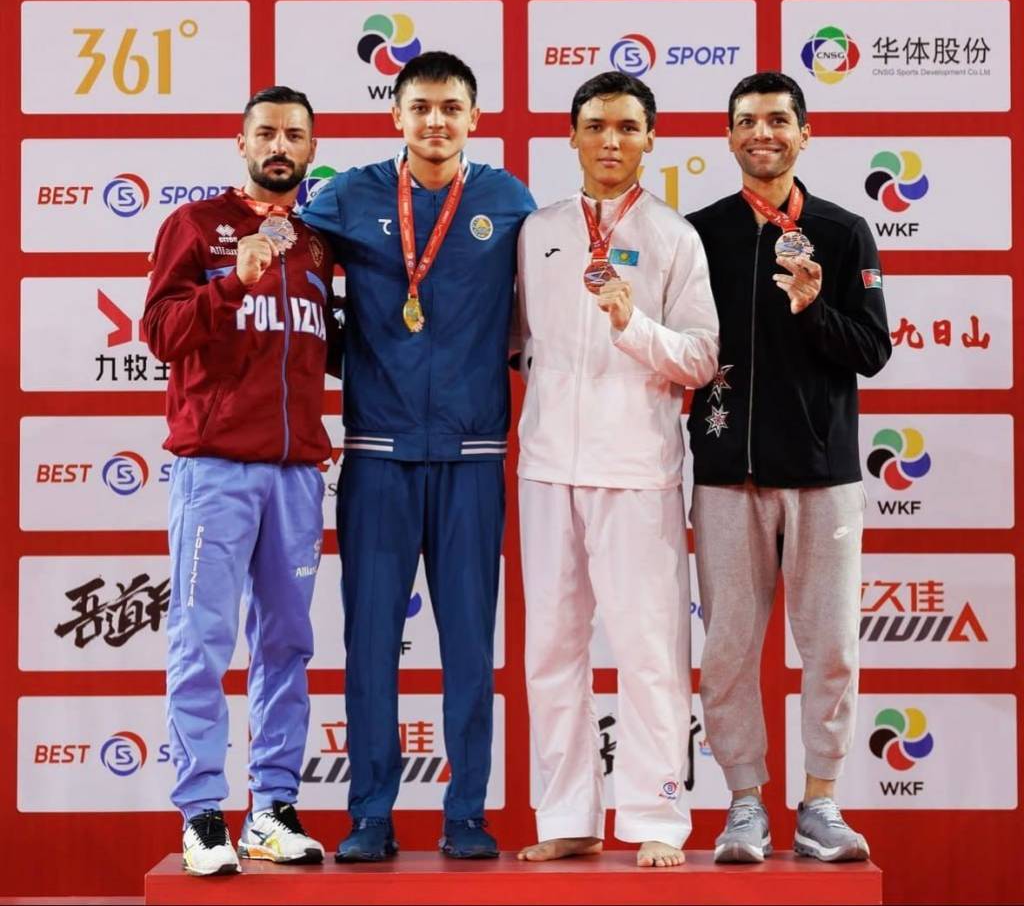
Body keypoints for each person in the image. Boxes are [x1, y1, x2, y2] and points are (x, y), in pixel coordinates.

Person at [301, 51, 535, 862]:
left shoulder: (507, 200)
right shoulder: (349, 195)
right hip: (377, 452)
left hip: (472, 454)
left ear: (475, 118)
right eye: (422, 107)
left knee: (469, 644)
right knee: (370, 643)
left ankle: (465, 811)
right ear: (395, 115)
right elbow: (292, 273)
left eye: (451, 108)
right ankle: (370, 813)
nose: (436, 121)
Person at [514, 71, 719, 870]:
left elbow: (700, 358)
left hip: (637, 468)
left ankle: (656, 814)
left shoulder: (674, 236)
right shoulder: (539, 231)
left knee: (649, 649)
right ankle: (569, 814)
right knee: (551, 650)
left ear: (651, 140)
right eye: (596, 125)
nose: (611, 140)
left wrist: (634, 325)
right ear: (571, 135)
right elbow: (519, 341)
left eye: (628, 127)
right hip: (547, 468)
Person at [686, 70, 891, 864]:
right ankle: (745, 803)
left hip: (823, 475)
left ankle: (821, 803)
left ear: (805, 134)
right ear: (729, 137)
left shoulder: (843, 231)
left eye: (778, 120)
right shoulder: (699, 233)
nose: (762, 133)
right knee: (728, 650)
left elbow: (871, 350)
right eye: (747, 121)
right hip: (726, 475)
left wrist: (813, 309)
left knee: (832, 647)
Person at [143, 86, 337, 876]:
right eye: (266, 133)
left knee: (286, 644)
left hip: (295, 475)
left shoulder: (319, 244)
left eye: (294, 134)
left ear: (311, 149)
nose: (279, 145)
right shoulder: (196, 225)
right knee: (202, 641)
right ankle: (200, 815)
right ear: (242, 142)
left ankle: (271, 809)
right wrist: (232, 283)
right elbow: (160, 332)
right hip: (216, 467)